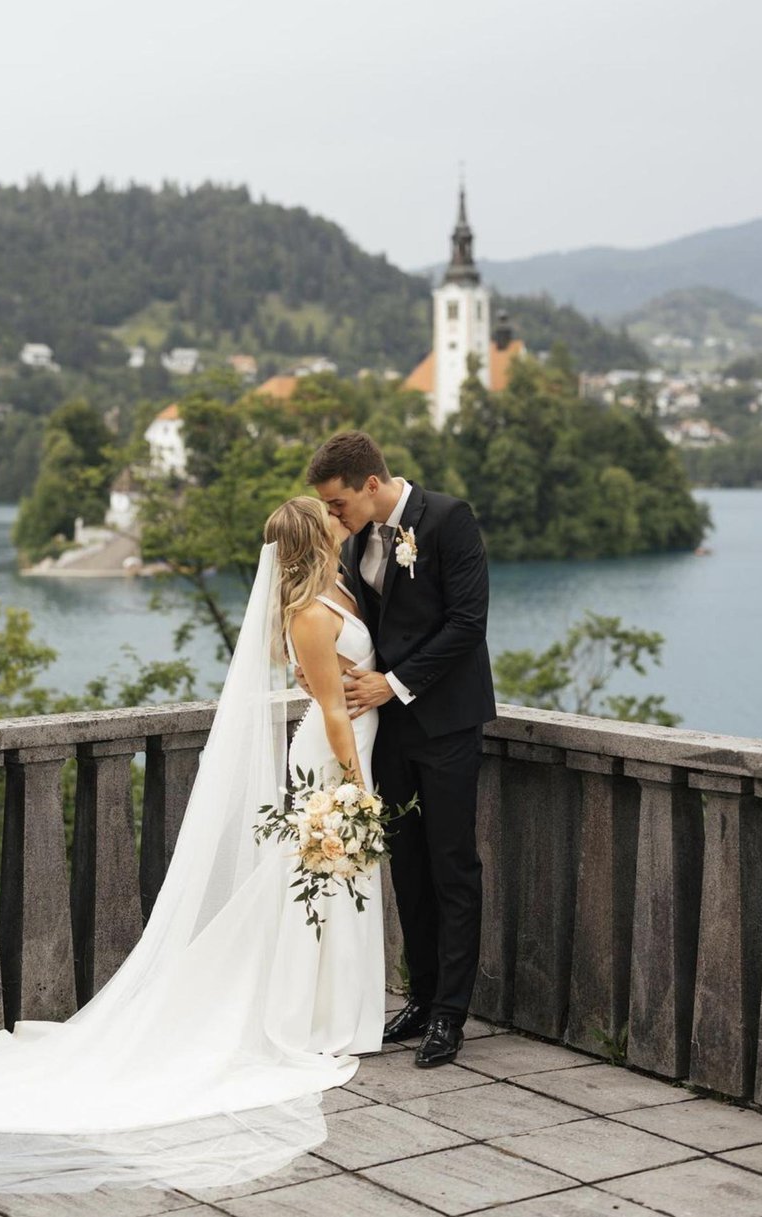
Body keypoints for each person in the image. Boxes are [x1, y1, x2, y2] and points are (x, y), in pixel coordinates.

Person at [0, 499, 383, 1195]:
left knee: (333, 886)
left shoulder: (339, 585)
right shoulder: (309, 612)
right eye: (326, 514)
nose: (338, 515)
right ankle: (309, 1015)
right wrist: (359, 785)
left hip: (349, 748)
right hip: (333, 759)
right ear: (314, 537)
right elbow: (332, 707)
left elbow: (339, 681)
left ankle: (334, 1008)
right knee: (317, 883)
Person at [307, 431, 496, 1068]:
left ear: (370, 484)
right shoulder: (356, 539)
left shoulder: (449, 518)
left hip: (445, 725)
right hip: (389, 733)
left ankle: (451, 1013)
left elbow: (468, 623)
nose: (333, 516)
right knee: (408, 866)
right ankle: (419, 997)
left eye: (337, 504)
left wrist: (394, 683)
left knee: (451, 864)